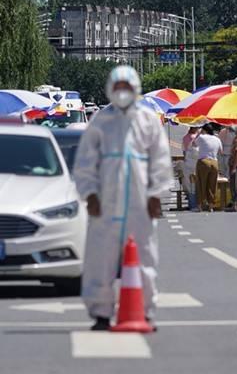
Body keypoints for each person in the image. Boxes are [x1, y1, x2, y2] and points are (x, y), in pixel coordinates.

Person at [73, 65, 173, 331]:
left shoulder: (148, 119)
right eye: (118, 88)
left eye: (126, 88)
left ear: (135, 89)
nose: (122, 93)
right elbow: (85, 162)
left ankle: (145, 310)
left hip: (140, 201)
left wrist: (157, 195)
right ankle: (101, 313)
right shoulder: (100, 121)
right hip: (105, 200)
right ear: (110, 89)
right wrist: (90, 194)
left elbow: (160, 161)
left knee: (145, 255)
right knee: (100, 257)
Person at [195, 123, 223, 212]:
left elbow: (194, 144)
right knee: (212, 185)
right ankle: (211, 205)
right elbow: (221, 151)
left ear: (204, 130)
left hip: (203, 161)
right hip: (214, 162)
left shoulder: (202, 137)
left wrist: (199, 133)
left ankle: (200, 205)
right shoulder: (217, 139)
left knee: (201, 184)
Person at [182, 127, 199, 210]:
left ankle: (192, 203)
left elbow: (184, 151)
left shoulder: (185, 137)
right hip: (195, 164)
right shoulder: (196, 138)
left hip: (188, 163)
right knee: (196, 184)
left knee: (189, 185)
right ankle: (196, 203)